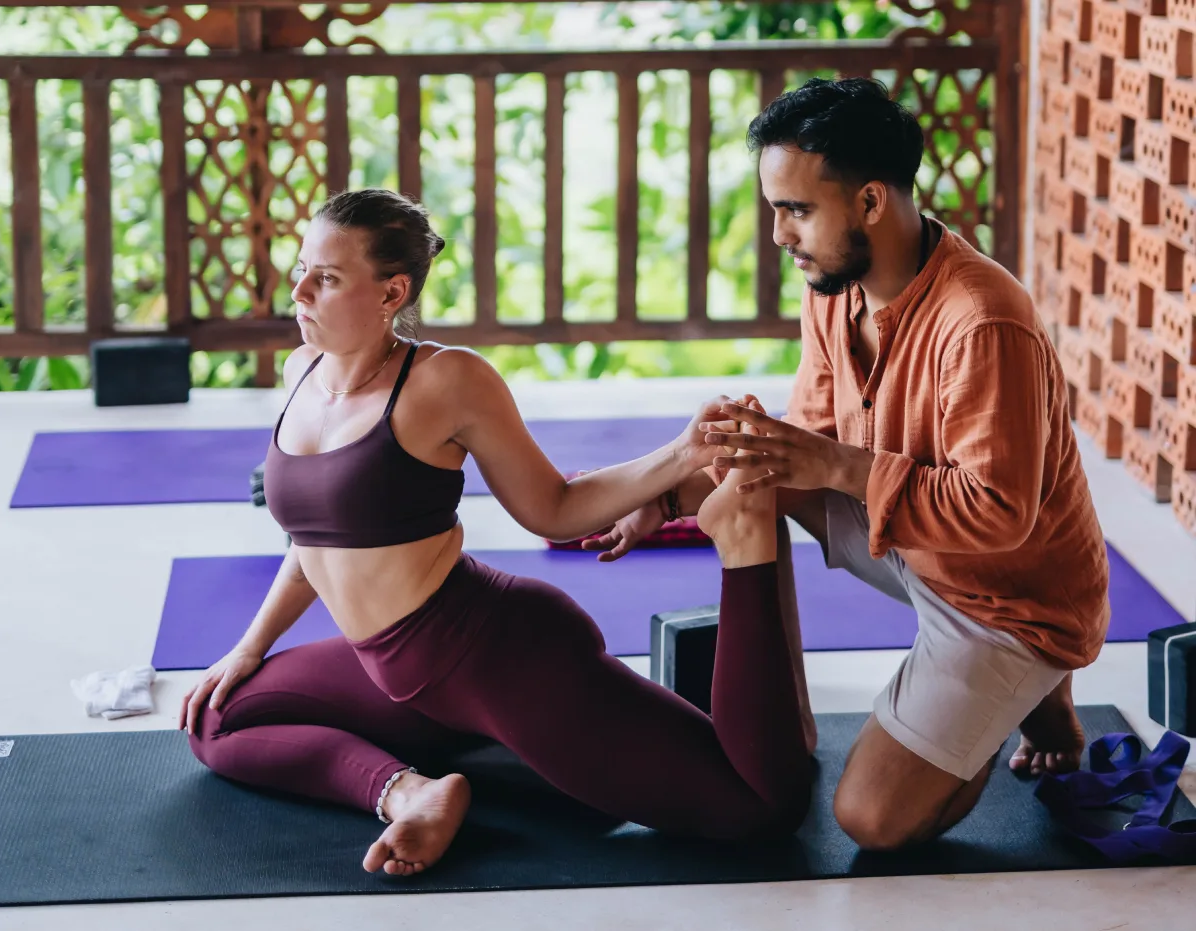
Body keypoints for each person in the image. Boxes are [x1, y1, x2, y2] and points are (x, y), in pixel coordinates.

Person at [179, 188, 813, 877]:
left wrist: (686, 452)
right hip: (392, 672)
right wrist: (248, 647)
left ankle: (743, 535)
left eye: (325, 278)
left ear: (392, 292)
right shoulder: (303, 372)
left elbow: (556, 508)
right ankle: (412, 792)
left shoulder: (446, 381)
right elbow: (314, 542)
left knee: (754, 807)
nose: (298, 289)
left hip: (495, 658)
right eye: (301, 267)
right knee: (217, 718)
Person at [587, 77, 1111, 852]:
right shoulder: (835, 289)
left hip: (1009, 599)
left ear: (870, 203)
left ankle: (1022, 690)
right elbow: (807, 444)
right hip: (915, 547)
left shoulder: (984, 323)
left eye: (796, 210)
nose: (777, 235)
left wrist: (834, 463)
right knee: (752, 470)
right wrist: (670, 497)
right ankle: (785, 724)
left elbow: (1000, 515)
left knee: (872, 821)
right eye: (775, 209)